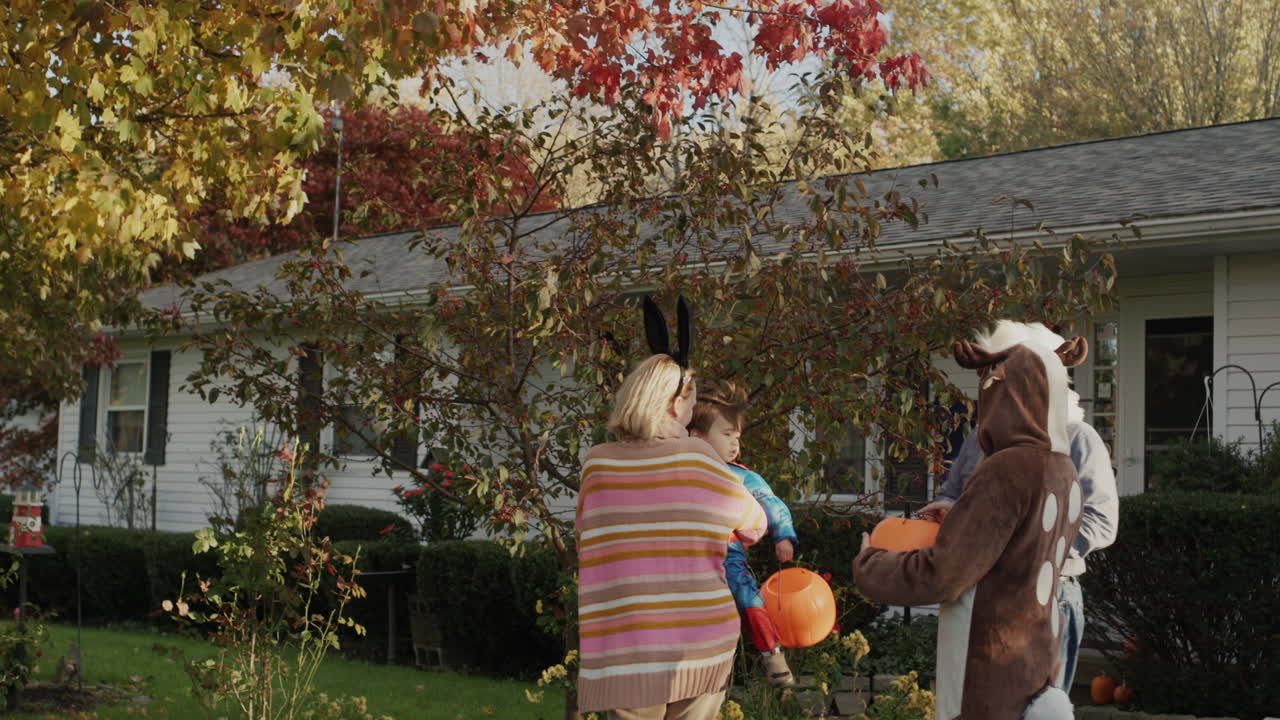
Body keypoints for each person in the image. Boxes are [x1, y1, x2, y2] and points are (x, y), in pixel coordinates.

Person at [855, 338, 1083, 720]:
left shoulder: (1006, 468)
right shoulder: (1064, 470)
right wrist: (963, 513)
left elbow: (943, 574)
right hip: (1034, 655)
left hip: (986, 663)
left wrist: (870, 563)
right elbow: (1021, 537)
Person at [576, 298, 768, 720]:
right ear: (676, 403)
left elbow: (587, 538)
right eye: (692, 403)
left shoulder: (598, 464)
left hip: (623, 648)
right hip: (699, 643)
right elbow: (755, 524)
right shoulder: (700, 459)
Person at [921, 321, 1119, 691]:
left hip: (1047, 596)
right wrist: (948, 510)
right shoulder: (979, 441)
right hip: (978, 594)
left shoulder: (1078, 439)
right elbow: (953, 494)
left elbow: (1100, 521)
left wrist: (1029, 549)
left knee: (1040, 710)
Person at [687, 381, 799, 688]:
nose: (735, 443)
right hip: (685, 555)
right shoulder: (680, 469)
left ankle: (772, 655)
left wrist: (783, 535)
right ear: (697, 437)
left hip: (728, 552)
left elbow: (772, 504)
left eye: (737, 437)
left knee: (749, 598)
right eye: (727, 435)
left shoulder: (743, 476)